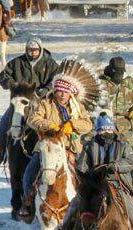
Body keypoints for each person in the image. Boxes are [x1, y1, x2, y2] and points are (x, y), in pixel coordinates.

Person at [52, 114, 133, 230]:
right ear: (97, 131)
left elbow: (130, 161)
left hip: (116, 181)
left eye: (108, 129)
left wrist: (113, 166)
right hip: (94, 182)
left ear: (113, 129)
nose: (106, 133)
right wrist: (90, 173)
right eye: (102, 130)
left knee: (129, 204)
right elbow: (81, 165)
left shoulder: (123, 144)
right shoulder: (90, 145)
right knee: (76, 202)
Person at [20, 75, 95, 219]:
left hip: (70, 147)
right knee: (30, 172)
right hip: (48, 146)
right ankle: (28, 202)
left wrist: (72, 125)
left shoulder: (78, 106)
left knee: (87, 174)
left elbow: (88, 124)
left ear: (70, 93)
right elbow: (32, 119)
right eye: (59, 91)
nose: (62, 94)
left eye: (65, 92)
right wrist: (49, 125)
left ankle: (88, 204)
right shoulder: (45, 104)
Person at [0, 39, 59, 166]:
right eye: (29, 50)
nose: (32, 53)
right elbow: (4, 75)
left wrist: (47, 89)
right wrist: (11, 84)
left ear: (41, 50)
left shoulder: (50, 63)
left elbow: (57, 79)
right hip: (20, 103)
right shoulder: (17, 62)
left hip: (43, 104)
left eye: (35, 50)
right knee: (4, 122)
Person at [100, 57, 133, 188]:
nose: (119, 76)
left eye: (121, 73)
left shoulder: (132, 84)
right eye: (116, 73)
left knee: (132, 150)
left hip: (126, 125)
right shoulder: (101, 84)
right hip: (105, 124)